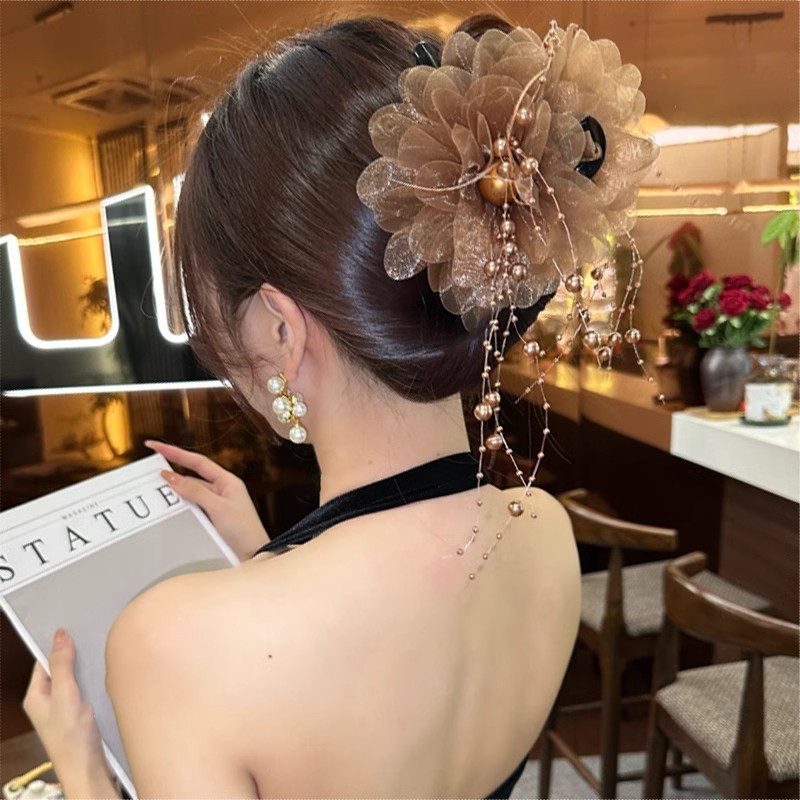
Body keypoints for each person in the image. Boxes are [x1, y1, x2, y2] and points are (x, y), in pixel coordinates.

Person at [23, 14, 589, 798]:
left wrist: (82, 771)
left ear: (280, 329)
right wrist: (269, 558)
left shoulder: (175, 644)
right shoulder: (546, 534)